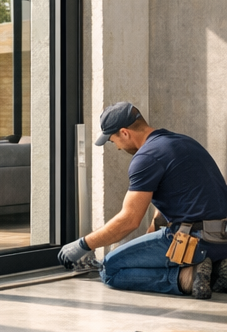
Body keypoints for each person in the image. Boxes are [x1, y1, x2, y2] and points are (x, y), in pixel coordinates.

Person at [58, 102, 227, 300]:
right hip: (221, 240)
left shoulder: (146, 156)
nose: (118, 148)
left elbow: (129, 220)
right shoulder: (183, 142)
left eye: (113, 141)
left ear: (125, 133)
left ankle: (187, 277)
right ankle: (216, 269)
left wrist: (83, 244)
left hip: (194, 242)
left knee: (110, 269)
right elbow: (172, 204)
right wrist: (147, 240)